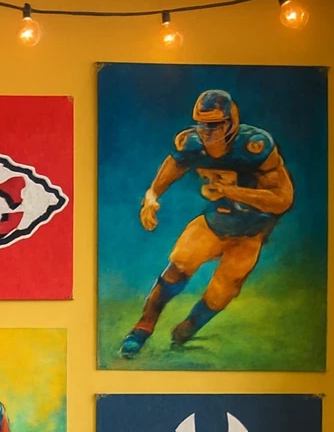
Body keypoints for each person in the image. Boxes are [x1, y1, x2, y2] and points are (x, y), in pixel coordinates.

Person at [119, 89, 295, 358]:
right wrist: (152, 195)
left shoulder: (255, 146)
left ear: (230, 122)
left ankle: (189, 327)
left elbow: (282, 199)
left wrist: (235, 192)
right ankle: (142, 328)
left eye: (214, 124)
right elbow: (173, 166)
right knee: (179, 264)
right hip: (217, 220)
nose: (207, 131)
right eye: (202, 124)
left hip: (251, 231)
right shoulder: (190, 143)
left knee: (221, 292)